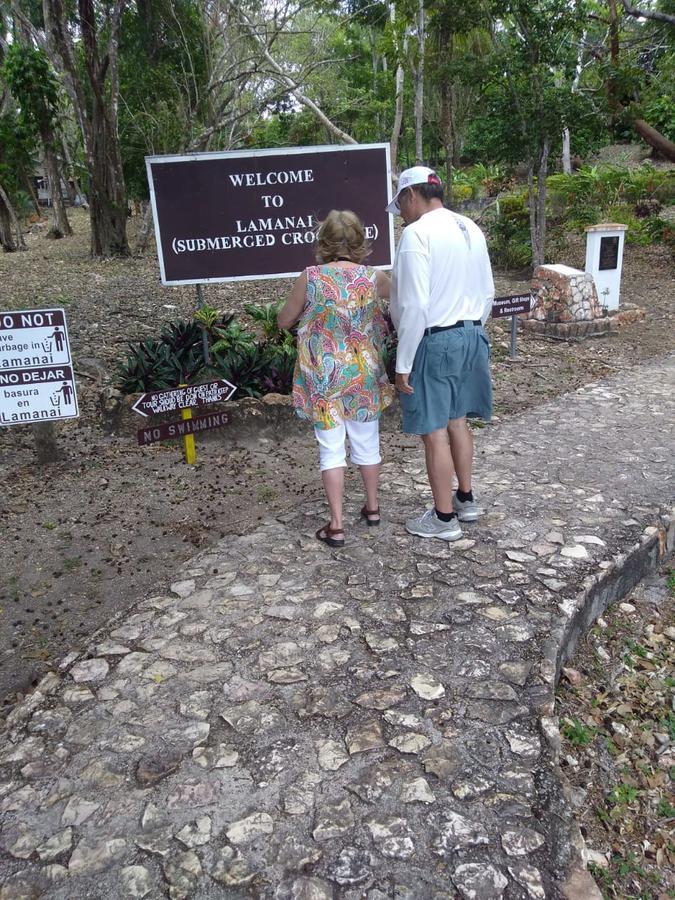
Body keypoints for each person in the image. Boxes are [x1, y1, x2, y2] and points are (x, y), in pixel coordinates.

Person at [387, 166, 494, 541]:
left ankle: (443, 518)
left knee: (434, 432)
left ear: (411, 196)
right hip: (472, 334)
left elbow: (414, 305)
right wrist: (471, 330)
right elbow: (487, 292)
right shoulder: (470, 227)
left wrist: (403, 363)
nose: (400, 214)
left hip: (436, 340)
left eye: (400, 204)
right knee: (458, 421)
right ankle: (465, 499)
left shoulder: (417, 234)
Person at [278, 210, 394, 548]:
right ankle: (372, 508)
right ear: (360, 241)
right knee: (367, 442)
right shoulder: (374, 278)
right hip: (363, 373)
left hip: (324, 375)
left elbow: (284, 320)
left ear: (323, 241)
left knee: (331, 449)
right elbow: (405, 299)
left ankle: (337, 524)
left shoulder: (310, 277)